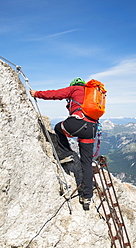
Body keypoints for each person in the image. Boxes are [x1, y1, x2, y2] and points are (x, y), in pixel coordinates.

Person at [30, 77, 97, 211]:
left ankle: (67, 154)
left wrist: (37, 93)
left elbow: (55, 94)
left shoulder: (75, 89)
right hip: (91, 129)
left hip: (77, 123)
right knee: (86, 163)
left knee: (58, 128)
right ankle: (87, 197)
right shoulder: (92, 94)